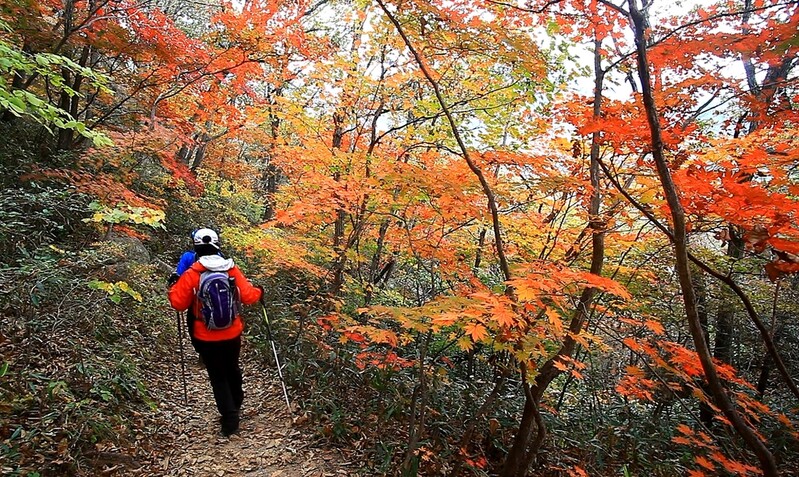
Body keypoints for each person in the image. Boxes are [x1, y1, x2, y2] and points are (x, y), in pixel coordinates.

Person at [168, 228, 263, 436]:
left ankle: (230, 418)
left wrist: (174, 286)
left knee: (218, 375)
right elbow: (248, 296)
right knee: (232, 368)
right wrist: (260, 291)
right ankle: (236, 401)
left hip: (205, 335)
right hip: (232, 332)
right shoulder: (230, 269)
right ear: (217, 245)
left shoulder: (193, 273)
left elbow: (178, 303)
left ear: (196, 247)